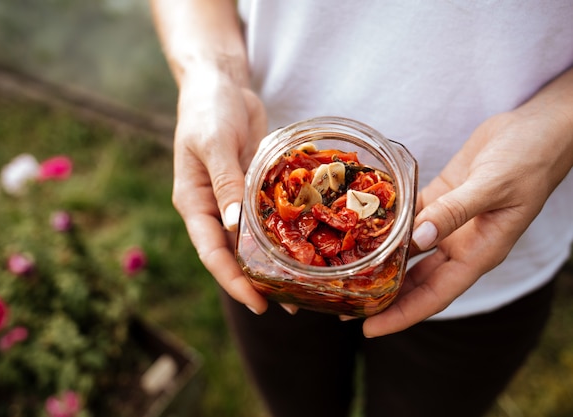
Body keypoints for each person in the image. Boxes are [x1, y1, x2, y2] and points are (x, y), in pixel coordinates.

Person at [150, 1, 573, 416]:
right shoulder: (279, 207)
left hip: (485, 245)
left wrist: (558, 128)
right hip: (268, 237)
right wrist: (208, 73)